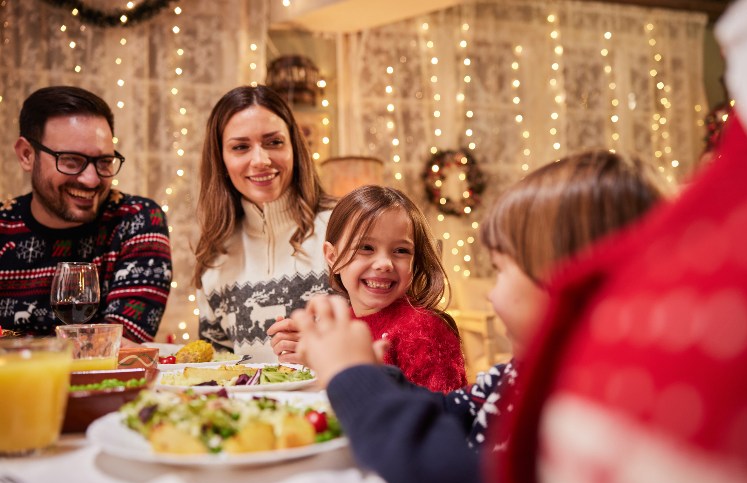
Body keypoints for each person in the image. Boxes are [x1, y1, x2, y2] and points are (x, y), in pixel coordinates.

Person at [491, 1, 747, 483]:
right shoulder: (505, 374)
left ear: (561, 271)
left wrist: (364, 385)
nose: (492, 288)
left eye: (498, 267)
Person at [290, 151, 669, 483]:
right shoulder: (519, 377)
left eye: (500, 270)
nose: (490, 295)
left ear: (567, 282)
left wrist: (354, 375)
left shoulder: (584, 408)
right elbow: (450, 409)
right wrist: (371, 373)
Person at [0, 86, 172, 343]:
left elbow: (119, 346)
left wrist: (18, 344)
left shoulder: (136, 219)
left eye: (104, 162)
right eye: (70, 161)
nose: (91, 180)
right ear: (27, 155)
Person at [193, 85, 337, 362]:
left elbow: (395, 334)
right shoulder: (213, 256)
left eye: (274, 142)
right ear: (221, 159)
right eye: (241, 147)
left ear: (294, 146)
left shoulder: (345, 226)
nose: (260, 160)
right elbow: (216, 367)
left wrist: (324, 347)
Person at [326, 185, 469, 392]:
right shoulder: (342, 325)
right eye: (366, 248)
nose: (384, 263)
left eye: (401, 250)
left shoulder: (423, 332)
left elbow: (436, 419)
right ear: (332, 257)